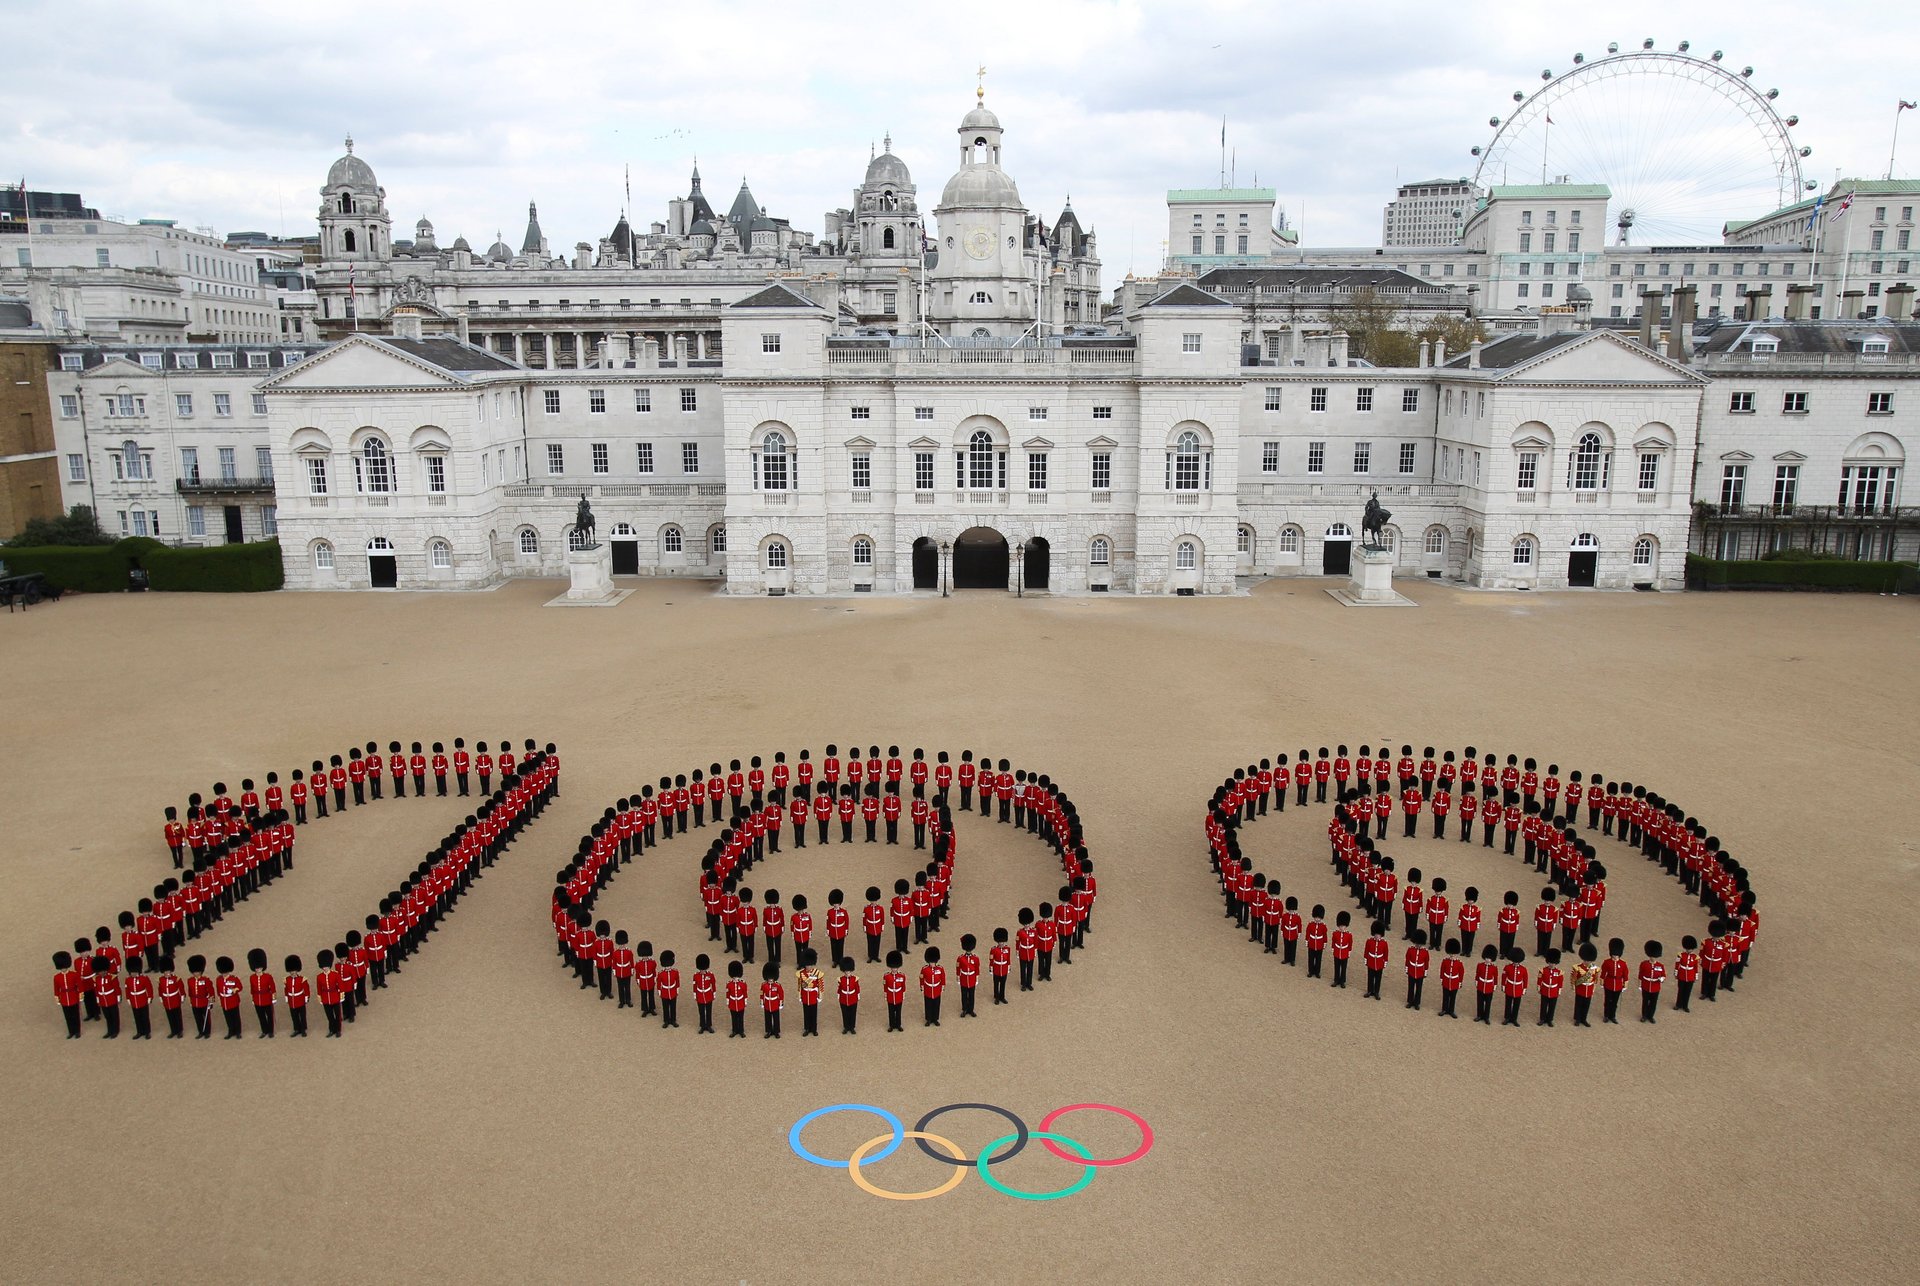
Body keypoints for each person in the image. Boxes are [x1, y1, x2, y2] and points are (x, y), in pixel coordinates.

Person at [52, 951, 84, 1039]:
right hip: (64, 999)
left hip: (73, 996)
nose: (63, 969)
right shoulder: (56, 977)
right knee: (68, 1017)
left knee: (75, 1016)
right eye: (61, 967)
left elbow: (80, 986)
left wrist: (80, 996)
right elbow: (56, 988)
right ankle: (71, 1031)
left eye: (64, 967)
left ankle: (77, 1031)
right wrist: (57, 998)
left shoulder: (74, 974)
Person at [1600, 938, 1630, 1024]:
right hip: (1609, 983)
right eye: (1614, 956)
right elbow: (1603, 973)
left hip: (1618, 985)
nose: (1615, 957)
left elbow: (1625, 975)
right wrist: (1602, 983)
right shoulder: (1607, 962)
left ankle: (1612, 1016)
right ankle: (1606, 1015)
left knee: (1614, 1002)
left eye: (1616, 956)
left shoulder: (1623, 964)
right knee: (1607, 1001)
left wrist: (1625, 985)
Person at [248, 948, 277, 1038]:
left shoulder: (268, 977)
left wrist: (273, 998)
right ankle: (264, 1031)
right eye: (257, 968)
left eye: (260, 967)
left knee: (269, 1016)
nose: (258, 969)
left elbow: (273, 988)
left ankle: (270, 1031)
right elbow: (252, 989)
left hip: (267, 998)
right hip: (257, 999)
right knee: (261, 1017)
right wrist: (253, 998)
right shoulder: (252, 977)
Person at [1570, 943, 1600, 1027]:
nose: (1587, 962)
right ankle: (1577, 1019)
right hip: (1581, 987)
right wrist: (1573, 986)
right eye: (1586, 960)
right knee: (1578, 1004)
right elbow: (1574, 978)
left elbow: (1595, 979)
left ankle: (1584, 1018)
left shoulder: (1594, 969)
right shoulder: (1578, 967)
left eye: (1589, 960)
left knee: (1586, 1005)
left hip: (1589, 988)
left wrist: (1594, 987)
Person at [214, 956, 244, 1039]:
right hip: (224, 1001)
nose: (224, 974)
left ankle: (238, 1032)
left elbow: (240, 987)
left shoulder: (234, 978)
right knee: (228, 1018)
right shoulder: (219, 979)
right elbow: (218, 990)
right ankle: (231, 1031)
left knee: (236, 1017)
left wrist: (234, 990)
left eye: (225, 972)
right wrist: (220, 999)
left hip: (233, 1000)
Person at [795, 949, 823, 1037]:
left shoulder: (817, 973)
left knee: (814, 1013)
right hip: (805, 995)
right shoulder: (800, 973)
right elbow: (799, 985)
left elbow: (820, 985)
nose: (809, 967)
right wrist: (799, 996)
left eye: (810, 965)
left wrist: (820, 996)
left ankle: (814, 1029)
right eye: (807, 965)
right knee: (806, 1013)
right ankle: (807, 1028)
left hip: (813, 995)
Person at [1638, 940, 1665, 1023]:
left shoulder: (1660, 966)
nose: (1653, 958)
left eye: (1654, 956)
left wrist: (1661, 979)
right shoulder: (1644, 964)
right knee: (1645, 1002)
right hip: (1646, 985)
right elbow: (1640, 975)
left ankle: (1651, 1016)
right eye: (1652, 956)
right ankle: (1644, 1015)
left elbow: (1663, 975)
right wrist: (1640, 985)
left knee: (1653, 1003)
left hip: (1655, 986)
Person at [1500, 950, 1529, 1027]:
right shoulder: (1507, 967)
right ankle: (1507, 1018)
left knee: (1516, 1005)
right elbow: (1504, 977)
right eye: (1515, 961)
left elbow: (1525, 980)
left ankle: (1514, 1019)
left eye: (1517, 961)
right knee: (1508, 1004)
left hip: (1518, 988)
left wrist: (1524, 988)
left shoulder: (1523, 969)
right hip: (1509, 987)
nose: (1516, 963)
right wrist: (1503, 985)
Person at [1438, 940, 1465, 1019]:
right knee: (1445, 996)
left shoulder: (1459, 963)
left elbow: (1461, 973)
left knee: (1453, 997)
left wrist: (1460, 982)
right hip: (1446, 980)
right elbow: (1442, 970)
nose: (1452, 955)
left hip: (1454, 982)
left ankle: (1451, 1010)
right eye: (1451, 953)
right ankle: (1444, 1009)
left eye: (1453, 954)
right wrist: (1442, 978)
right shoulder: (1445, 961)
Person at [1362, 922, 1389, 1000]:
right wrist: (1366, 959)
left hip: (1379, 962)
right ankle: (1370, 990)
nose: (1377, 936)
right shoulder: (1369, 941)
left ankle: (1376, 992)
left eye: (1379, 934)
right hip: (1371, 961)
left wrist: (1385, 962)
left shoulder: (1384, 943)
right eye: (1376, 934)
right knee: (1370, 977)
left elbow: (1385, 953)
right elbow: (1366, 951)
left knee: (1378, 978)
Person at [1536, 949, 1564, 1027]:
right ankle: (1542, 1019)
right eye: (1551, 962)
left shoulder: (1559, 972)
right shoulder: (1543, 970)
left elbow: (1560, 982)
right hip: (1545, 990)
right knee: (1543, 1006)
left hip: (1554, 991)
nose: (1552, 964)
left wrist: (1559, 990)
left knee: (1552, 1007)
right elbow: (1539, 980)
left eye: (1554, 963)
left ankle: (1549, 1019)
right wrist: (1539, 988)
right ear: (1548, 962)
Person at [956, 935, 982, 1017]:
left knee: (971, 995)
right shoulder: (960, 958)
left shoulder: (975, 958)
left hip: (972, 978)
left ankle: (971, 1009)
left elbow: (977, 968)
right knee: (964, 995)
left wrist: (977, 978)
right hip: (964, 978)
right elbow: (958, 968)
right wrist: (958, 977)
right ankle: (964, 1009)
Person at [283, 955, 309, 1037]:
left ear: (297, 970)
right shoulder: (286, 980)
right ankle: (296, 1029)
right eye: (291, 970)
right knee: (294, 1016)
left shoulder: (302, 979)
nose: (292, 972)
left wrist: (306, 998)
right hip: (292, 1001)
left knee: (302, 1016)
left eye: (294, 970)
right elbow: (286, 989)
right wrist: (287, 997)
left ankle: (303, 1029)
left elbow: (306, 990)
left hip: (300, 1000)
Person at [1404, 931, 1430, 1011]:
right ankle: (1410, 1001)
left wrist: (1425, 972)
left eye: (1419, 944)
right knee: (1411, 987)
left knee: (1419, 988)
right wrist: (1407, 968)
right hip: (1412, 970)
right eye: (1417, 943)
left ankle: (1417, 1003)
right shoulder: (1410, 950)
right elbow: (1407, 960)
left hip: (1420, 972)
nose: (1418, 945)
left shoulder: (1425, 952)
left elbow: (1426, 962)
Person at [1473, 946, 1500, 1024]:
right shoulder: (1480, 965)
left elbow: (1495, 977)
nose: (1488, 960)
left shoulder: (1494, 968)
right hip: (1481, 985)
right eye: (1486, 958)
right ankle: (1479, 1015)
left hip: (1489, 987)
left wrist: (1495, 985)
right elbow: (1477, 974)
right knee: (1480, 1002)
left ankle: (1486, 1017)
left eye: (1489, 958)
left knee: (1488, 1003)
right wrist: (1477, 981)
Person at [920, 947, 946, 1027]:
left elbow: (943, 977)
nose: (932, 963)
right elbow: (921, 978)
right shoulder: (924, 969)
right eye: (931, 962)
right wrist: (922, 986)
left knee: (936, 1004)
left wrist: (943, 986)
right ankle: (928, 1019)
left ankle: (935, 1019)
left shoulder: (940, 969)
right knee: (928, 1005)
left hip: (937, 989)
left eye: (933, 962)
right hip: (928, 989)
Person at [1674, 936, 1701, 1012]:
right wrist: (1676, 974)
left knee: (1687, 992)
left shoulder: (1695, 957)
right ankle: (1678, 1004)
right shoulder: (1681, 955)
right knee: (1680, 991)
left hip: (1690, 976)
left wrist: (1696, 977)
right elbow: (1677, 965)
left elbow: (1696, 968)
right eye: (1688, 949)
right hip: (1682, 975)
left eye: (1690, 949)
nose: (1689, 950)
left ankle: (1685, 1005)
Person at [692, 955, 717, 1034]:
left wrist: (714, 993)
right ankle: (703, 1026)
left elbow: (713, 984)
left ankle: (709, 1025)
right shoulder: (696, 975)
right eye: (701, 969)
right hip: (700, 995)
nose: (702, 971)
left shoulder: (710, 975)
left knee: (709, 1011)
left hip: (708, 994)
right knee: (701, 1011)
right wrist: (695, 994)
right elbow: (695, 985)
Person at [882, 952, 907, 1032]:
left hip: (898, 995)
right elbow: (885, 987)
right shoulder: (886, 976)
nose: (894, 969)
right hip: (890, 996)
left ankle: (898, 1025)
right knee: (891, 1012)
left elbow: (903, 986)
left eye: (896, 967)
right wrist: (886, 995)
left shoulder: (902, 976)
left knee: (898, 1012)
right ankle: (892, 1025)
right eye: (893, 967)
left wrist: (903, 994)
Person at [760, 962, 784, 1039]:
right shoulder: (764, 985)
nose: (770, 981)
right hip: (767, 1003)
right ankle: (769, 1031)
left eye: (771, 980)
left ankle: (776, 1031)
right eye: (769, 979)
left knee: (776, 1018)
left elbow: (781, 994)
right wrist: (762, 1002)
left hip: (775, 1003)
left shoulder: (777, 985)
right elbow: (762, 994)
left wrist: (781, 1004)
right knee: (768, 1018)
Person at [656, 951, 680, 1029]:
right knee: (665, 1007)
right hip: (665, 992)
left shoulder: (675, 972)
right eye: (667, 966)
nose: (668, 967)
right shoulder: (660, 973)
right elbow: (659, 982)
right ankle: (666, 1021)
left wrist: (677, 989)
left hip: (672, 991)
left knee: (673, 1007)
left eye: (669, 965)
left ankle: (673, 1020)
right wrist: (659, 990)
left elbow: (677, 981)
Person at [724, 961, 749, 1038]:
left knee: (741, 1018)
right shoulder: (729, 984)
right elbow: (728, 993)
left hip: (740, 1002)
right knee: (734, 1018)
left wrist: (745, 1001)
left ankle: (741, 1031)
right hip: (733, 1003)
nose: (735, 978)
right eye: (734, 977)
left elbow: (745, 993)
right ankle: (734, 1030)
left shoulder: (743, 984)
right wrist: (728, 1001)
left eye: (736, 977)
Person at [1330, 911, 1354, 989]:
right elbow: (1333, 941)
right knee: (1337, 967)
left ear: (1346, 926)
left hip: (1344, 953)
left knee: (1343, 968)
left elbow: (1350, 944)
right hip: (1337, 952)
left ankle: (1342, 981)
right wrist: (1333, 949)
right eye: (1340, 926)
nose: (1341, 927)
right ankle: (1336, 980)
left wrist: (1349, 951)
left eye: (1343, 926)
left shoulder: (1349, 935)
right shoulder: (1335, 933)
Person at [989, 929, 1011, 1005]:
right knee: (996, 984)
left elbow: (1008, 959)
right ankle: (996, 997)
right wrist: (991, 969)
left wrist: (1008, 967)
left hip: (1004, 968)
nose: (1001, 943)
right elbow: (991, 959)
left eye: (1002, 942)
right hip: (997, 969)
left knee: (1003, 984)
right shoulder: (994, 949)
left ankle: (1002, 997)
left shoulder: (1007, 949)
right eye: (1000, 942)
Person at [837, 960, 861, 1034]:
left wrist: (858, 996)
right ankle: (846, 1027)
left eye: (849, 972)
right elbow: (839, 989)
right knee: (845, 1013)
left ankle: (852, 1027)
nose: (847, 973)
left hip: (853, 998)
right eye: (846, 972)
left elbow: (857, 988)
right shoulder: (840, 979)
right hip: (843, 998)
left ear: (851, 971)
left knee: (852, 1013)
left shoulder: (855, 979)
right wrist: (839, 996)